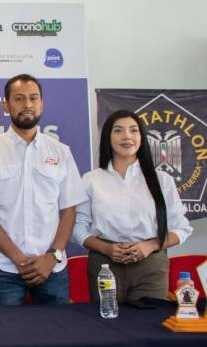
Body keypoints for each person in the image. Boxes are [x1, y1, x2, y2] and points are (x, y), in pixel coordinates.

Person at [0, 74, 87, 305]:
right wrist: (19, 260)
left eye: (33, 98)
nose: (27, 105)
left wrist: (52, 257)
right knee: (8, 337)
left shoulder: (61, 152)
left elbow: (69, 211)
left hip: (53, 269)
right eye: (19, 99)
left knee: (57, 333)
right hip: (5, 270)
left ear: (41, 104)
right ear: (6, 105)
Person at [73, 110, 192, 303]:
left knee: (149, 326)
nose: (127, 136)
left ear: (142, 138)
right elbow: (78, 229)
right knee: (106, 327)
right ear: (108, 138)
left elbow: (182, 228)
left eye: (133, 131)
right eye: (118, 131)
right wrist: (106, 249)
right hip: (105, 266)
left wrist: (150, 245)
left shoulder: (162, 180)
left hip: (150, 265)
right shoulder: (91, 180)